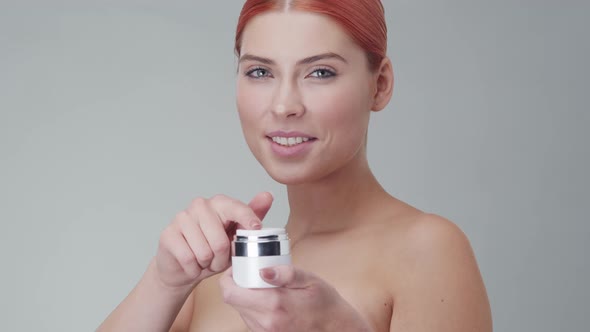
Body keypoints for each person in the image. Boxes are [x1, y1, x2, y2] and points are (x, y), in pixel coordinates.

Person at [98, 0, 492, 331]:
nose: (284, 105)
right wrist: (164, 281)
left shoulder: (426, 249)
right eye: (260, 72)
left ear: (381, 84)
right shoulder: (216, 270)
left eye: (320, 72)